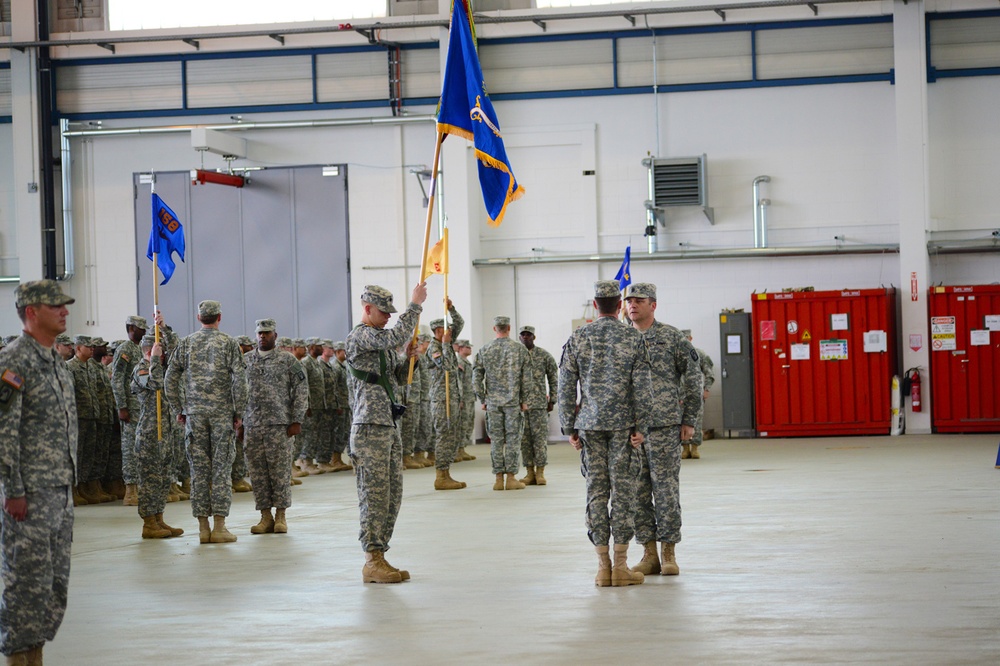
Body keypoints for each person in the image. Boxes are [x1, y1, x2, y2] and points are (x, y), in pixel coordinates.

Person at [0, 280, 78, 664]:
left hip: (60, 492)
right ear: (31, 312)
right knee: (25, 585)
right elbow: (3, 431)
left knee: (52, 587)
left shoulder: (57, 364)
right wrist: (13, 489)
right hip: (28, 495)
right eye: (55, 306)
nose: (64, 311)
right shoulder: (14, 361)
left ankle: (35, 657)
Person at [557, 280, 652, 587]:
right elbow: (643, 387)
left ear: (596, 305)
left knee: (596, 493)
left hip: (589, 425)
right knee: (623, 493)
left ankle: (602, 567)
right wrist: (642, 427)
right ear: (620, 305)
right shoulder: (633, 338)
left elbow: (565, 386)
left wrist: (568, 427)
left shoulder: (578, 337)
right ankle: (621, 566)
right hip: (624, 427)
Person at [345, 282, 426, 584]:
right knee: (374, 495)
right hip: (368, 428)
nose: (389, 316)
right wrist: (415, 305)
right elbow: (396, 336)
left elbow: (397, 380)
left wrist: (410, 359)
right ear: (367, 309)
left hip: (387, 425)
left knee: (392, 495)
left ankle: (380, 553)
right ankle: (371, 559)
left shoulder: (381, 341)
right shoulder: (361, 335)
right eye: (384, 311)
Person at [625, 284, 703, 577]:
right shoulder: (622, 338)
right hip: (630, 429)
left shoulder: (672, 337)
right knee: (637, 492)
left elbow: (693, 377)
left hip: (665, 425)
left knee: (666, 489)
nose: (632, 305)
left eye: (639, 301)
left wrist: (690, 419)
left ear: (653, 305)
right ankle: (648, 553)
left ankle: (669, 551)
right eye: (629, 301)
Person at [164, 300, 247, 544]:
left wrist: (178, 407)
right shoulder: (229, 343)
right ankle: (219, 526)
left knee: (198, 471)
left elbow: (170, 377)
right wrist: (238, 411)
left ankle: (202, 527)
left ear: (199, 317)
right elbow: (240, 380)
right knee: (221, 469)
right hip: (222, 415)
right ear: (219, 317)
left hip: (195, 416)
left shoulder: (187, 343)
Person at [243, 319, 308, 535]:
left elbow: (300, 390)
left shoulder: (287, 361)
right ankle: (265, 517)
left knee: (279, 472)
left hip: (279, 425)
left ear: (275, 336)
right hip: (252, 424)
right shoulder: (246, 361)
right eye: (260, 333)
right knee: (258, 473)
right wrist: (238, 420)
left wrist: (296, 419)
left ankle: (281, 516)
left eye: (267, 333)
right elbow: (235, 390)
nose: (263, 336)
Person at [131, 333, 184, 539]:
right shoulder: (142, 368)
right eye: (159, 351)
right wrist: (153, 358)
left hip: (165, 432)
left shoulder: (159, 367)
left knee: (162, 478)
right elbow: (155, 384)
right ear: (149, 350)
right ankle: (148, 523)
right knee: (149, 479)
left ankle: (159, 519)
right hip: (149, 433)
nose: (163, 355)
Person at [474, 315, 530, 491]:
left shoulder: (485, 350)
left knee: (496, 440)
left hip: (492, 403)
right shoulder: (519, 350)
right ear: (509, 328)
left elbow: (476, 378)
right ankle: (511, 478)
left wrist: (483, 398)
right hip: (513, 402)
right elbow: (527, 379)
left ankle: (498, 479)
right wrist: (524, 399)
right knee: (513, 440)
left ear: (494, 329)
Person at [426, 304, 467, 490]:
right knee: (444, 436)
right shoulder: (434, 348)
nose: (450, 330)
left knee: (452, 436)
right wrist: (444, 344)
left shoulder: (448, 343)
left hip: (452, 398)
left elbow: (460, 322)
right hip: (442, 400)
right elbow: (449, 367)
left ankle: (446, 473)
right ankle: (440, 476)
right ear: (437, 331)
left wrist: (451, 308)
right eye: (446, 327)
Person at [111, 316, 149, 506]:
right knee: (129, 448)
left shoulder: (140, 349)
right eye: (140, 328)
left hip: (142, 406)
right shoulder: (124, 349)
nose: (143, 332)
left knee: (141, 448)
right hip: (130, 408)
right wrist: (122, 406)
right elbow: (117, 379)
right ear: (130, 328)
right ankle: (130, 490)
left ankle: (141, 486)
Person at [517, 325, 558, 486]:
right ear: (519, 337)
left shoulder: (544, 355)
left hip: (540, 405)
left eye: (529, 335)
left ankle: (540, 472)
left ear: (534, 337)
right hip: (521, 405)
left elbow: (553, 378)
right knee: (524, 441)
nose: (526, 337)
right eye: (523, 335)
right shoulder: (515, 355)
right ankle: (529, 473)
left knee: (539, 440)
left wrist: (552, 399)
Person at [682, 329, 715, 460]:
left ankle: (695, 448)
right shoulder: (676, 354)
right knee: (681, 422)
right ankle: (685, 448)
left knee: (697, 420)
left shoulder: (699, 354)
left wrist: (706, 389)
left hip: (696, 394)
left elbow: (709, 373)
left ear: (691, 338)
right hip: (680, 396)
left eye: (686, 338)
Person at [453, 339, 476, 462]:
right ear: (461, 349)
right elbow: (459, 382)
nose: (470, 349)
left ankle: (462, 448)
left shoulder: (467, 363)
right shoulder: (458, 362)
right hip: (463, 398)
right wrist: (460, 398)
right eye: (467, 347)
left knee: (468, 423)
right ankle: (457, 450)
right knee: (461, 424)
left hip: (469, 397)